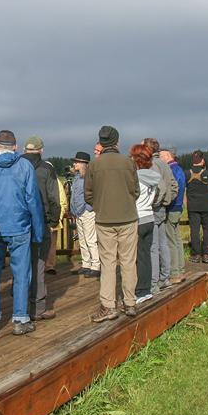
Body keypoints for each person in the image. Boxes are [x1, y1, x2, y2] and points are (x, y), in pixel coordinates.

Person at [0, 130, 44, 336]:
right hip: (20, 227)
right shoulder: (25, 166)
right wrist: (38, 233)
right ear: (15, 147)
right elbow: (33, 200)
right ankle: (20, 319)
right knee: (21, 273)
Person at [84, 125, 141, 320]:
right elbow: (136, 191)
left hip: (104, 219)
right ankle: (130, 302)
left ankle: (108, 306)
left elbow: (88, 195)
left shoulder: (94, 165)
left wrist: (101, 205)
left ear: (101, 142)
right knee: (128, 262)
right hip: (128, 218)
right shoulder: (128, 162)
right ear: (116, 141)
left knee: (107, 263)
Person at [21, 136, 61, 321]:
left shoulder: (16, 166)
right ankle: (38, 307)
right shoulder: (47, 168)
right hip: (42, 221)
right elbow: (54, 196)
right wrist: (53, 220)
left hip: (20, 221)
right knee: (39, 264)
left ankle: (19, 306)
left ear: (24, 149)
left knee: (20, 263)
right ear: (41, 150)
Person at [143, 138, 179, 293]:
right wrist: (166, 201)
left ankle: (154, 283)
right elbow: (173, 186)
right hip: (162, 209)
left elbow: (161, 187)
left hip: (154, 209)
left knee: (153, 246)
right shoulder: (164, 164)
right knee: (162, 244)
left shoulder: (151, 164)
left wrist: (155, 202)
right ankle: (165, 277)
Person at [131, 144, 161, 304]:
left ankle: (139, 291)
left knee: (136, 257)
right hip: (149, 217)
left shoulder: (136, 178)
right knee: (146, 255)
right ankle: (146, 289)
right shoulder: (153, 177)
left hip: (137, 219)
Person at [185, 151, 208, 264]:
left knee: (194, 231)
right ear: (202, 160)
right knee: (207, 230)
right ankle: (207, 255)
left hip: (193, 207)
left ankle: (195, 255)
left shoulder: (187, 173)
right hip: (207, 207)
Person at [70, 151, 100, 277]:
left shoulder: (91, 177)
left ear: (83, 164)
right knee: (82, 240)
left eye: (77, 162)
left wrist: (88, 208)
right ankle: (86, 264)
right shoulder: (77, 177)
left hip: (87, 212)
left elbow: (94, 194)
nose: (74, 163)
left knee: (91, 240)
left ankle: (95, 265)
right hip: (79, 213)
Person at [160, 149, 186, 282]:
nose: (159, 159)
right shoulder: (179, 169)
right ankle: (180, 269)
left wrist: (165, 202)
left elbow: (172, 189)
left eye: (161, 156)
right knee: (176, 239)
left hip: (172, 207)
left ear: (167, 156)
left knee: (170, 240)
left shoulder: (171, 170)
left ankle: (174, 272)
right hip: (178, 207)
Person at [45, 174, 68, 275]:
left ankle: (43, 265)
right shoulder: (57, 182)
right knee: (52, 244)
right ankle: (50, 265)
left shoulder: (37, 177)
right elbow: (63, 201)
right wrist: (58, 217)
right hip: (54, 219)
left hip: (43, 219)